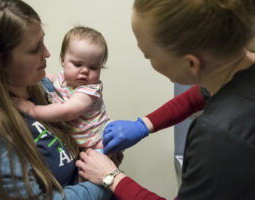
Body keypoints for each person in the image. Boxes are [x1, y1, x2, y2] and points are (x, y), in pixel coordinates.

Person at [76, 0, 255, 199]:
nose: (148, 59)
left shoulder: (219, 137)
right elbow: (198, 95)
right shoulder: (235, 69)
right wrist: (144, 124)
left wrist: (112, 177)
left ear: (191, 64)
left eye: (148, 55)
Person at [0, 0, 113, 199]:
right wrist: (106, 181)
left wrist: (104, 158)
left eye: (43, 42)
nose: (47, 53)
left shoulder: (43, 89)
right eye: (35, 48)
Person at [14, 26, 110, 151]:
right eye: (77, 64)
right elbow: (53, 79)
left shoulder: (89, 90)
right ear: (62, 60)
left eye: (93, 68)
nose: (85, 71)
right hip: (76, 143)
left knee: (89, 167)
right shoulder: (63, 77)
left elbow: (67, 111)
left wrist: (34, 111)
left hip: (96, 143)